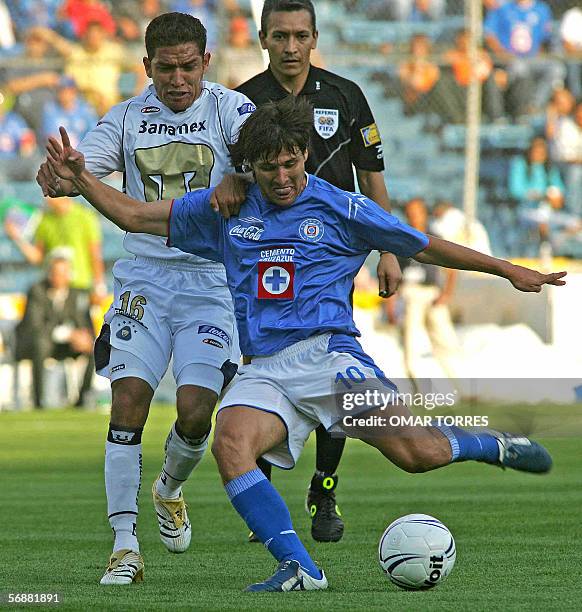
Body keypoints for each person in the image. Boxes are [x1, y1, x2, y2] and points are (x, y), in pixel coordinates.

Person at [46, 96, 564, 592]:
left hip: (329, 357)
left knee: (418, 454)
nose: (283, 178)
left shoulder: (341, 206)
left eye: (291, 164)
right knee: (231, 443)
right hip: (264, 367)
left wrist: (504, 269)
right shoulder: (225, 208)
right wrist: (83, 178)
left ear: (305, 156)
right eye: (269, 168)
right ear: (249, 166)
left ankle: (489, 443)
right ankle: (299, 566)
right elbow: (137, 217)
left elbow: (422, 245)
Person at [37, 12, 254, 586]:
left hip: (211, 283)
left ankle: (170, 488)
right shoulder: (127, 119)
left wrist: (246, 176)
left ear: (205, 63)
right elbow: (79, 169)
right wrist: (64, 176)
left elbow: (264, 159)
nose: (177, 79)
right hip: (144, 281)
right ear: (147, 68)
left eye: (188, 66)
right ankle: (125, 544)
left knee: (194, 411)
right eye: (165, 69)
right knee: (128, 400)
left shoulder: (231, 112)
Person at [235, 0, 402, 543]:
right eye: (279, 36)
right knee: (261, 358)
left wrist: (390, 249)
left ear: (314, 38)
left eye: (299, 36)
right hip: (262, 252)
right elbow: (231, 177)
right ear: (263, 38)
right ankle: (257, 470)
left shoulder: (347, 96)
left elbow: (372, 175)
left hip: (328, 254)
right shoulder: (242, 102)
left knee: (334, 368)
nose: (289, 46)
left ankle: (324, 488)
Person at [15, 253, 95, 408]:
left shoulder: (76, 294)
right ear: (50, 274)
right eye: (57, 273)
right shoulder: (36, 291)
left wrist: (83, 337)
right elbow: (35, 326)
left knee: (93, 347)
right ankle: (39, 402)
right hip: (35, 344)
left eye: (65, 273)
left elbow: (84, 323)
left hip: (64, 347)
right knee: (41, 344)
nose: (61, 277)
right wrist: (69, 334)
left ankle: (82, 399)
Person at [4, 196, 106, 299]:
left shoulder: (85, 216)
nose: (46, 197)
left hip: (80, 286)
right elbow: (38, 258)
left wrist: (99, 286)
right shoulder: (44, 220)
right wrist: (17, 238)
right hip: (53, 288)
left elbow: (95, 254)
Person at [484, 0, 565, 116]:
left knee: (556, 69)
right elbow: (489, 33)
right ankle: (518, 112)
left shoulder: (541, 9)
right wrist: (502, 53)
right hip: (511, 59)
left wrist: (540, 52)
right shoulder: (503, 8)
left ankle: (534, 106)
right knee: (519, 68)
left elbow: (545, 37)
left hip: (533, 58)